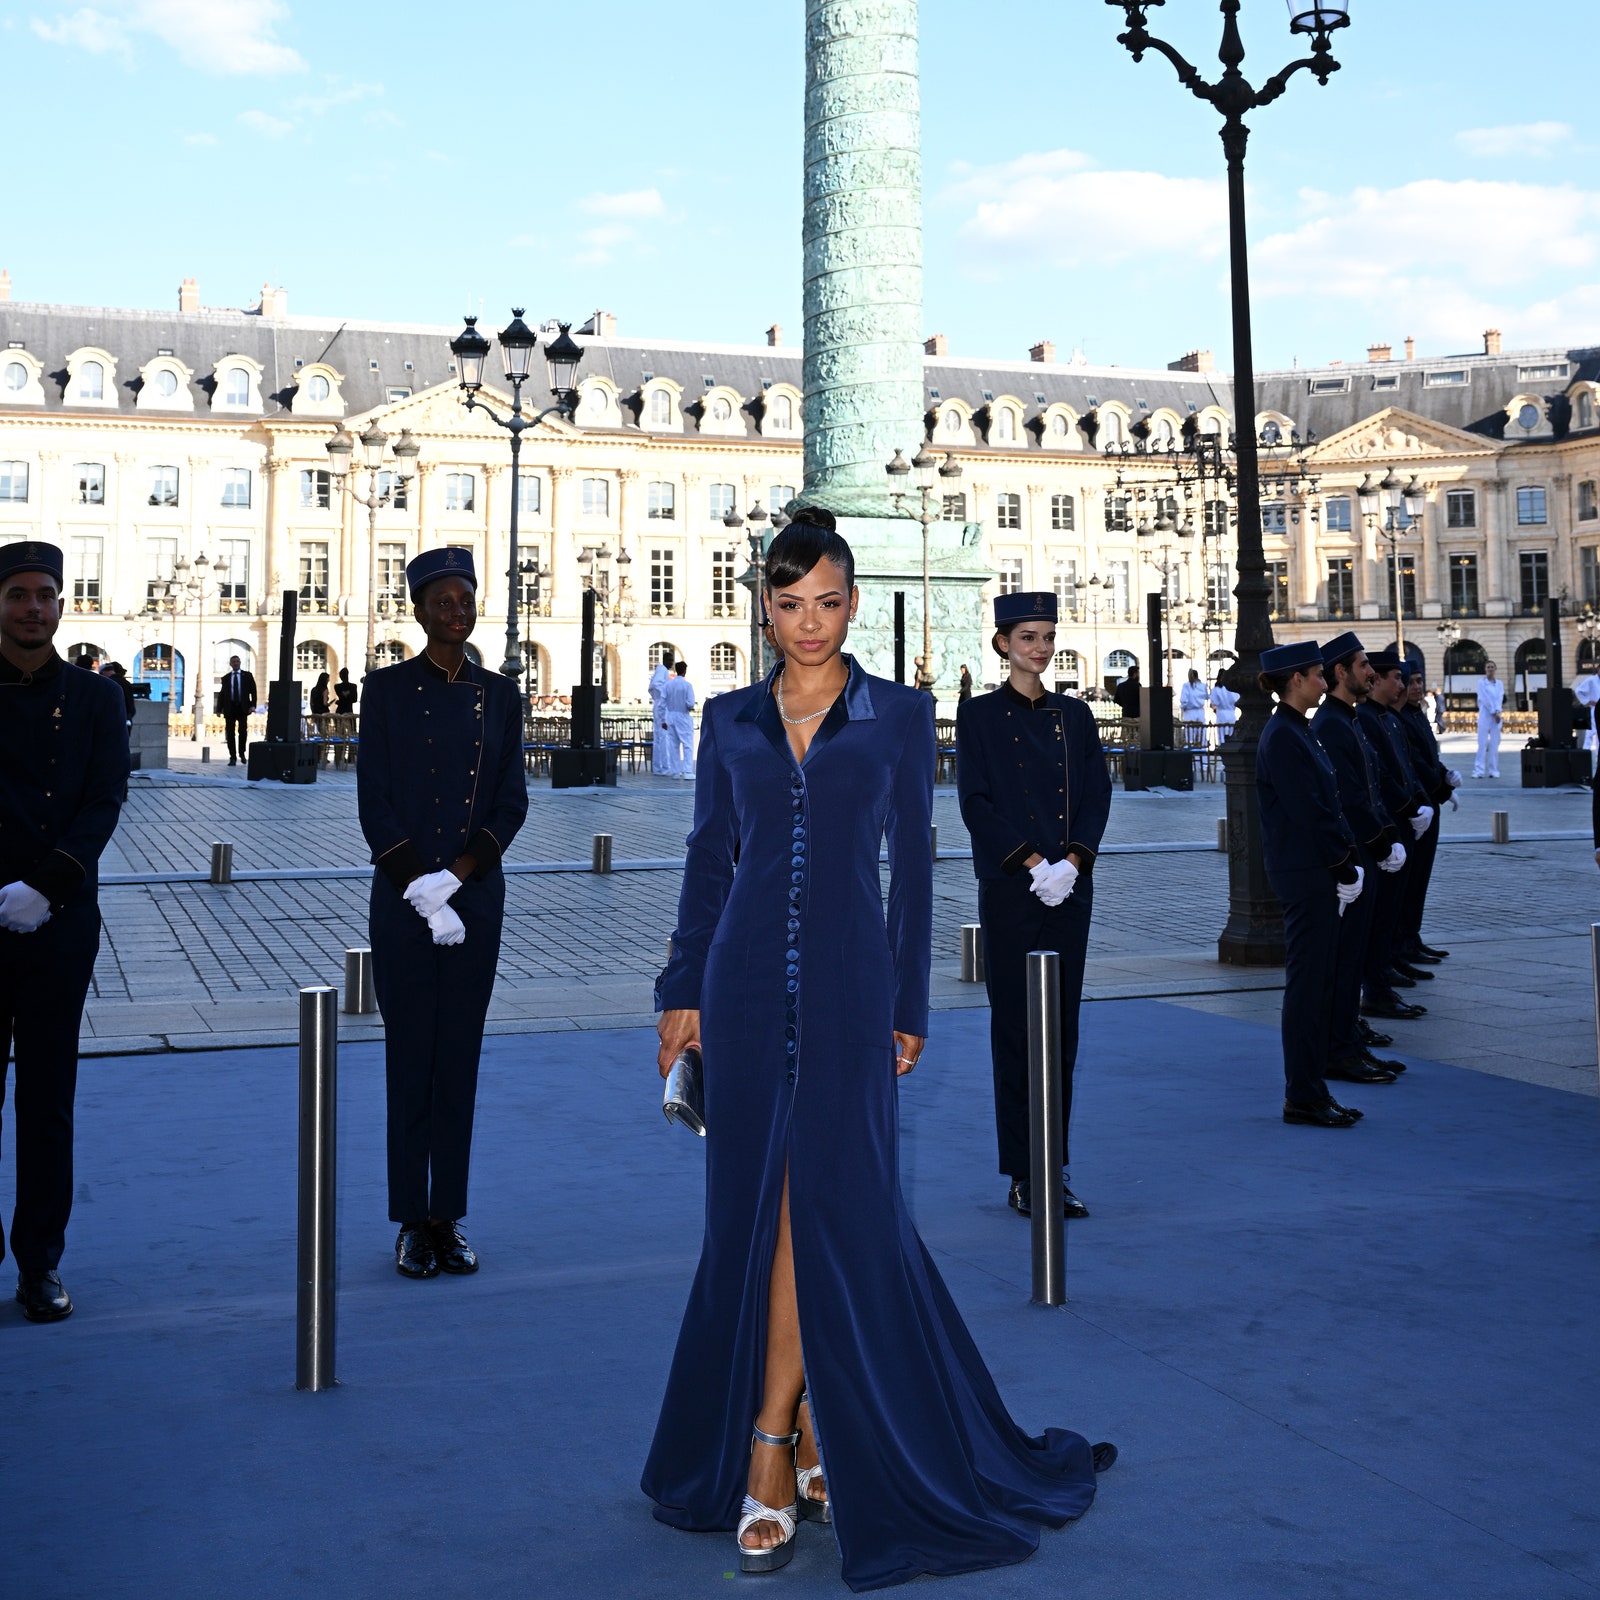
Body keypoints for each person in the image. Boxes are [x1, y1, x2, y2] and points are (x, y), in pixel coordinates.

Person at [647, 524, 1114, 1587]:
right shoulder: (727, 720)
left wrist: (909, 1000)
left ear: (853, 603)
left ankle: (772, 1435)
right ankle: (802, 1436)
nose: (808, 622)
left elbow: (915, 866)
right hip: (743, 985)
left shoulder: (899, 716)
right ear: (761, 610)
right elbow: (707, 865)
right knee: (757, 1213)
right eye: (788, 603)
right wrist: (680, 992)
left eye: (826, 601)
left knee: (832, 1206)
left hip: (857, 988)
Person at [356, 548, 528, 1281]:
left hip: (473, 898)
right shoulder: (386, 689)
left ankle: (447, 1217)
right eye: (443, 601)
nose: (457, 612)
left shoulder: (501, 695)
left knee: (458, 1060)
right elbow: (374, 798)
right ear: (419, 609)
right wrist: (419, 884)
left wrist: (457, 878)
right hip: (403, 900)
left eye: (467, 600)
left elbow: (510, 801)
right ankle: (408, 1221)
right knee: (410, 1060)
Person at [0, 542, 130, 1321]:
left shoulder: (91, 698)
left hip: (59, 918)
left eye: (45, 594)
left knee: (48, 1099)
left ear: (61, 605)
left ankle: (41, 1263)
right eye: (18, 594)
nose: (33, 608)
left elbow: (103, 801)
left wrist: (44, 885)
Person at [956, 591, 1112, 1220]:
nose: (1040, 649)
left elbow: (1097, 794)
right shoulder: (980, 716)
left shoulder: (1075, 716)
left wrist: (1073, 862)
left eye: (1047, 637)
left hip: (1068, 888)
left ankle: (1056, 1162)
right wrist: (1031, 863)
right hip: (1014, 888)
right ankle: (1024, 1171)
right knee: (1018, 1031)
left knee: (1063, 1030)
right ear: (1003, 645)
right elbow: (976, 803)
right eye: (1028, 638)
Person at [1253, 640, 1366, 1128]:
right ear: (1295, 680)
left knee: (1318, 981)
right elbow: (1309, 813)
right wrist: (1343, 865)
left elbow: (1327, 805)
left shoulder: (1298, 731)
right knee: (1308, 984)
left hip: (1314, 870)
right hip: (1305, 874)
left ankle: (1312, 1088)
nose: (1325, 681)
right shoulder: (1283, 736)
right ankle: (1302, 1093)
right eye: (1318, 675)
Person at [1310, 634, 1403, 1089]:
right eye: (1364, 665)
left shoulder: (1346, 719)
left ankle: (1348, 1040)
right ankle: (1340, 1049)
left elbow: (1373, 785)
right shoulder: (1330, 723)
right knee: (1345, 960)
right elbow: (1347, 798)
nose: (1371, 672)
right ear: (1340, 673)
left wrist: (1385, 837)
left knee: (1356, 953)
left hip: (1365, 851)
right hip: (1353, 855)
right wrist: (1380, 844)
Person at [1357, 653, 1435, 1020]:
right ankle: (1377, 984)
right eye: (1396, 678)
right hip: (1387, 827)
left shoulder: (1388, 719)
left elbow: (1404, 769)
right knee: (1383, 911)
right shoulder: (1365, 720)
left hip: (1400, 824)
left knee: (1397, 903)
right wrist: (1406, 809)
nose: (1403, 686)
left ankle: (1386, 971)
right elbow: (1379, 780)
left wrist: (1420, 801)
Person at [1397, 668, 1458, 967]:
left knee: (1421, 877)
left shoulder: (1418, 714)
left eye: (1419, 681)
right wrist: (1442, 787)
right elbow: (1415, 763)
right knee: (1412, 877)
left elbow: (1430, 757)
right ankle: (1404, 940)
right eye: (1410, 682)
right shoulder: (1400, 718)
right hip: (1418, 805)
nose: (1416, 687)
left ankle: (1412, 936)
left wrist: (1445, 774)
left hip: (1428, 802)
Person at [217, 653, 257, 767]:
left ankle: (242, 753)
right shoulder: (226, 678)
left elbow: (253, 691)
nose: (235, 663)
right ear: (230, 664)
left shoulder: (247, 676)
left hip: (242, 707)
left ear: (240, 663)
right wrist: (219, 709)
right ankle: (232, 757)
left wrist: (253, 705)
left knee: (243, 732)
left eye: (237, 661)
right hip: (230, 708)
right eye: (233, 662)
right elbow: (222, 694)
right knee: (230, 733)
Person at [661, 659, 696, 779]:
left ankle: (675, 771)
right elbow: (690, 703)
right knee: (687, 744)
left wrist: (663, 720)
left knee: (673, 744)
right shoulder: (687, 685)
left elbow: (662, 703)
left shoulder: (668, 685)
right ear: (685, 671)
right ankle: (687, 771)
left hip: (670, 716)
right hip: (683, 716)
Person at [1473, 660, 1504, 778]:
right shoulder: (1481, 683)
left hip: (1496, 716)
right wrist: (1493, 711)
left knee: (1495, 744)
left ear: (1495, 669)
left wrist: (1498, 712)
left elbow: (1500, 697)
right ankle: (1479, 770)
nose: (1490, 669)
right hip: (1485, 716)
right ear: (1485, 669)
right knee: (1482, 743)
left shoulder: (1499, 683)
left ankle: (1493, 769)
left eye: (1492, 667)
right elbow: (1483, 698)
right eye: (1488, 667)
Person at [649, 651, 675, 775]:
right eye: (669, 660)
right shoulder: (662, 670)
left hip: (659, 705)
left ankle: (659, 767)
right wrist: (666, 691)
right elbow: (655, 685)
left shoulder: (662, 670)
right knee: (663, 737)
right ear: (664, 660)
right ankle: (664, 767)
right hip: (661, 707)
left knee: (660, 738)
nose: (671, 663)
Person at [1178, 667, 1208, 747]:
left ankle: (1191, 753)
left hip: (1189, 712)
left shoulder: (1186, 686)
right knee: (1201, 734)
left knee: (1190, 735)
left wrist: (1183, 707)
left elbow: (1183, 700)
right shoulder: (1203, 685)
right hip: (1200, 712)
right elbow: (1207, 696)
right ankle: (1202, 753)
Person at [1209, 675, 1240, 740]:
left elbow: (1214, 703)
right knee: (1231, 737)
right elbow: (1237, 699)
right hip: (1231, 715)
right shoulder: (1232, 689)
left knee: (1221, 738)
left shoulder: (1216, 689)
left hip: (1221, 715)